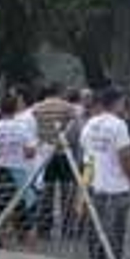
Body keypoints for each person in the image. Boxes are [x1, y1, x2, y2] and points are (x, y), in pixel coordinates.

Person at [80, 86, 130, 259]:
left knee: (95, 228)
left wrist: (85, 184)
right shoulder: (119, 125)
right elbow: (125, 156)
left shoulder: (89, 124)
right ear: (117, 102)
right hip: (117, 187)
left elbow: (87, 156)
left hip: (95, 184)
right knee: (116, 232)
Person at [0, 89, 38, 246]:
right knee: (23, 209)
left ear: (0, 109)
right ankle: (26, 243)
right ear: (16, 108)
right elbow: (31, 152)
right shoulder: (22, 128)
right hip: (19, 171)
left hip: (0, 172)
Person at [31, 83, 81, 241]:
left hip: (45, 151)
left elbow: (34, 127)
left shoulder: (37, 108)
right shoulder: (67, 107)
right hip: (64, 152)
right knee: (67, 191)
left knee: (46, 191)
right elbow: (76, 125)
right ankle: (67, 228)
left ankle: (43, 228)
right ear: (58, 92)